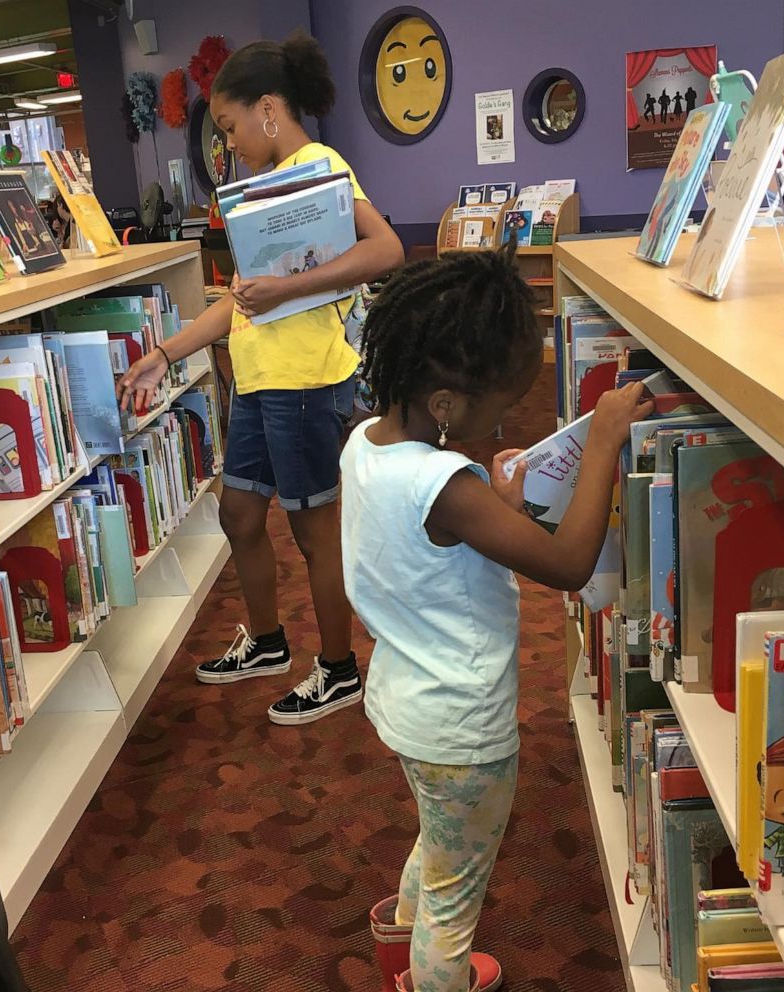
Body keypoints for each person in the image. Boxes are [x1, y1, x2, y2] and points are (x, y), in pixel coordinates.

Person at [342, 245, 653, 992]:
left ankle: (396, 946)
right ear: (446, 403)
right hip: (463, 728)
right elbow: (569, 564)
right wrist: (603, 440)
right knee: (456, 896)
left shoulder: (365, 445)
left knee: (443, 841)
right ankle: (431, 976)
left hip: (407, 705)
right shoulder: (448, 487)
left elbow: (430, 543)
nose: (507, 414)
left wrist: (499, 500)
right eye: (499, 402)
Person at [117, 33, 403, 725]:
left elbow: (388, 247)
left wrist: (289, 286)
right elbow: (242, 304)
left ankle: (338, 671)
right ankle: (269, 642)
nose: (230, 144)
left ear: (268, 109)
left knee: (313, 531)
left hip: (304, 380)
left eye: (232, 126)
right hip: (257, 378)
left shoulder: (319, 164)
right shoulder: (258, 188)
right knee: (239, 514)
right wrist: (167, 350)